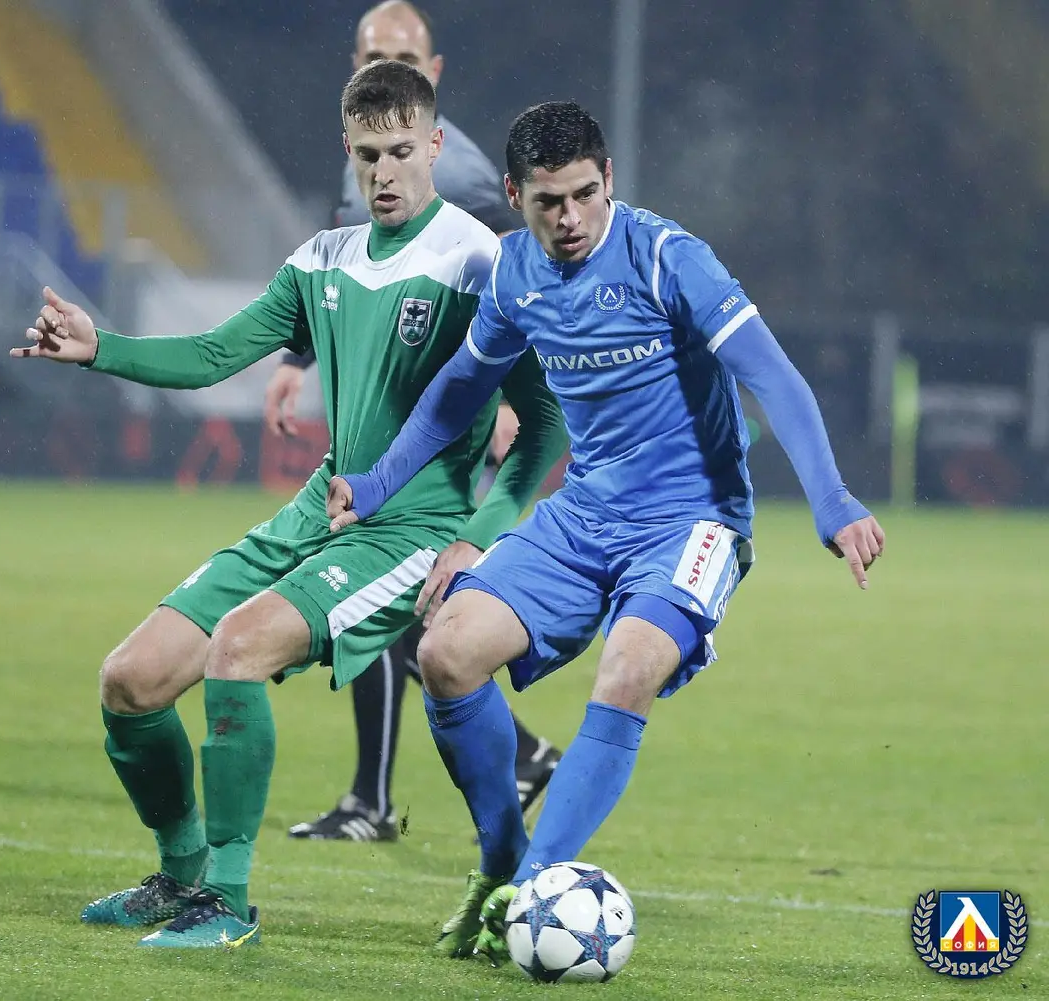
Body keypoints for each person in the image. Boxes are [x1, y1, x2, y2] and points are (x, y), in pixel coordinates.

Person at [8, 61, 565, 949]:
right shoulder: (322, 259)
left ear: (434, 145)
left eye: (401, 152)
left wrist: (476, 538)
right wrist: (98, 347)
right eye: (367, 155)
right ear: (347, 152)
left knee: (238, 647)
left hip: (411, 533)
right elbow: (211, 355)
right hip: (320, 508)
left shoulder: (479, 262)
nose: (384, 173)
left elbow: (541, 426)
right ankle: (180, 870)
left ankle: (227, 903)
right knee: (131, 680)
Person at [325, 100, 886, 960]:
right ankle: (502, 861)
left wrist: (833, 500)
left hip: (692, 521)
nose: (570, 218)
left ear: (609, 179)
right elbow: (457, 392)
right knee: (444, 651)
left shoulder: (668, 258)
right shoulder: (513, 274)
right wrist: (375, 484)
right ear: (514, 194)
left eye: (585, 194)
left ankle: (528, 891)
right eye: (548, 201)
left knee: (626, 669)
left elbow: (774, 377)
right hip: (584, 515)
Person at [269, 0, 560, 844]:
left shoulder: (459, 175)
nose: (384, 68)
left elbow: (511, 288)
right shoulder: (368, 152)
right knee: (400, 602)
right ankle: (516, 755)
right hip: (386, 418)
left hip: (442, 424)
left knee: (383, 595)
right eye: (372, 56)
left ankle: (378, 798)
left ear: (432, 74)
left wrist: (511, 399)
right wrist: (297, 359)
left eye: (401, 57)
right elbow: (356, 264)